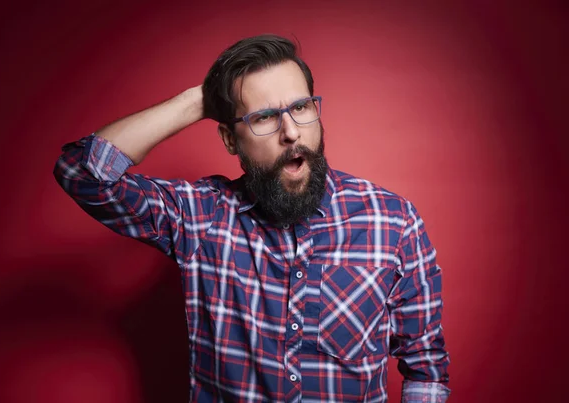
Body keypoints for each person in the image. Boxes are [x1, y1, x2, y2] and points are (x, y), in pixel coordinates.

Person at [54, 34, 450, 402]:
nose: (291, 133)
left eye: (301, 107)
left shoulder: (393, 222)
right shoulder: (203, 218)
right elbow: (82, 172)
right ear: (230, 139)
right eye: (263, 117)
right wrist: (199, 100)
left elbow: (425, 370)